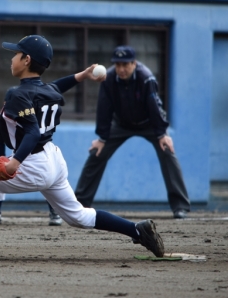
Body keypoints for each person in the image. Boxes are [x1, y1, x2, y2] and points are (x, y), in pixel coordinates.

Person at [0, 35, 165, 260]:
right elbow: (57, 86)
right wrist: (81, 76)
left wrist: (14, 163)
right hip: (54, 160)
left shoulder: (17, 94)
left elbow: (31, 132)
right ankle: (137, 230)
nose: (12, 59)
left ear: (27, 60)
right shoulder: (47, 91)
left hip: (32, 163)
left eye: (16, 54)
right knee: (78, 216)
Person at [74, 45, 191, 219]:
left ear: (134, 63)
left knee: (167, 151)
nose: (121, 69)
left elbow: (155, 107)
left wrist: (162, 134)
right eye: (118, 65)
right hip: (121, 124)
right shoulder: (109, 78)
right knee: (97, 153)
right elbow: (104, 108)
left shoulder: (146, 78)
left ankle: (180, 206)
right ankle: (80, 205)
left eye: (125, 65)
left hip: (149, 124)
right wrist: (102, 137)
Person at [0, 119, 63, 226]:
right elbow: (0, 140)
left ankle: (54, 212)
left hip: (37, 155)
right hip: (16, 156)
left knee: (46, 180)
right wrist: (1, 161)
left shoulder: (31, 116)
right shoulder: (4, 115)